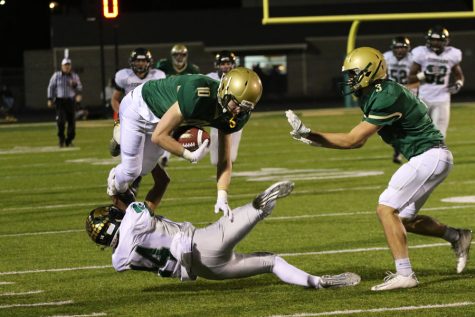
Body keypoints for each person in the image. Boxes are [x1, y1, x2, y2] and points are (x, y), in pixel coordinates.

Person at [285, 47, 472, 291]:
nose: (349, 79)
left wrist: (310, 135)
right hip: (430, 156)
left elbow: (354, 140)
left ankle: (405, 274)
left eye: (354, 73)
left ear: (370, 71)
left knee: (386, 208)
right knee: (404, 219)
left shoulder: (386, 94)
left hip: (429, 156)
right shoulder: (378, 91)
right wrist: (312, 138)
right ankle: (457, 236)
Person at [87, 179, 361, 289]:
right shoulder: (133, 217)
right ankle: (260, 206)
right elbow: (152, 195)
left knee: (271, 262)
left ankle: (318, 282)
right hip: (200, 244)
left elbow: (129, 237)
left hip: (204, 271)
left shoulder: (118, 260)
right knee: (257, 209)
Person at [107, 67, 263, 222]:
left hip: (162, 120)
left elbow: (224, 160)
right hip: (139, 109)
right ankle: (114, 181)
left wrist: (222, 195)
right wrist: (188, 154)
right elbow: (158, 136)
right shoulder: (198, 92)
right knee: (130, 171)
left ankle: (126, 143)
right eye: (235, 104)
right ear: (224, 89)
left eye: (244, 108)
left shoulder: (238, 114)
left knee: (145, 168)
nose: (237, 112)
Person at [408, 25, 465, 139]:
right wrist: (424, 75)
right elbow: (411, 77)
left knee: (439, 135)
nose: (435, 43)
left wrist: (458, 84)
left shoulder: (452, 54)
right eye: (433, 40)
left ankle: (438, 156)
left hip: (442, 99)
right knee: (421, 134)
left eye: (438, 40)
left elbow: (459, 76)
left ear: (445, 41)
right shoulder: (421, 53)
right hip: (423, 99)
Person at [108, 48, 166, 157]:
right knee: (122, 146)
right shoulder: (125, 76)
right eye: (137, 61)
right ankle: (117, 140)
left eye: (143, 61)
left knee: (152, 152)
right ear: (132, 62)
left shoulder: (157, 76)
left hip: (150, 116)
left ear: (149, 62)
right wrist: (121, 115)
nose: (140, 64)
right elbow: (115, 99)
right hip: (130, 115)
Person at [155, 44, 201, 167]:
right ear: (172, 56)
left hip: (183, 103)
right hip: (166, 101)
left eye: (182, 55)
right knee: (164, 130)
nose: (179, 57)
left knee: (170, 130)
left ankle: (166, 155)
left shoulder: (193, 69)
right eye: (177, 55)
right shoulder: (163, 66)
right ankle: (164, 155)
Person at [206, 50, 242, 165]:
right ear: (218, 65)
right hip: (217, 121)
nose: (226, 66)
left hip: (234, 120)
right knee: (215, 160)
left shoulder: (240, 78)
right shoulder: (209, 78)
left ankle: (224, 181)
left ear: (233, 64)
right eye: (223, 64)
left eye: (228, 63)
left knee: (231, 157)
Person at [383, 36, 414, 164]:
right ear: (393, 48)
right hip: (390, 95)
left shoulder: (413, 59)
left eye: (403, 47)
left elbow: (418, 77)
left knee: (406, 126)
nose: (400, 50)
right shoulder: (386, 57)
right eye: (397, 47)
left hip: (408, 95)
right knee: (389, 127)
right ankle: (399, 148)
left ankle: (402, 151)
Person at [47, 58, 83, 147]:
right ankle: (61, 139)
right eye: (65, 65)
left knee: (72, 122)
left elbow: (80, 87)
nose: (67, 67)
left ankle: (69, 140)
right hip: (60, 101)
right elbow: (51, 87)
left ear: (70, 66)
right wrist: (50, 98)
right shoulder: (56, 75)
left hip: (70, 100)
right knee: (60, 121)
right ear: (62, 66)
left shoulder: (74, 76)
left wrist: (74, 85)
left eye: (68, 65)